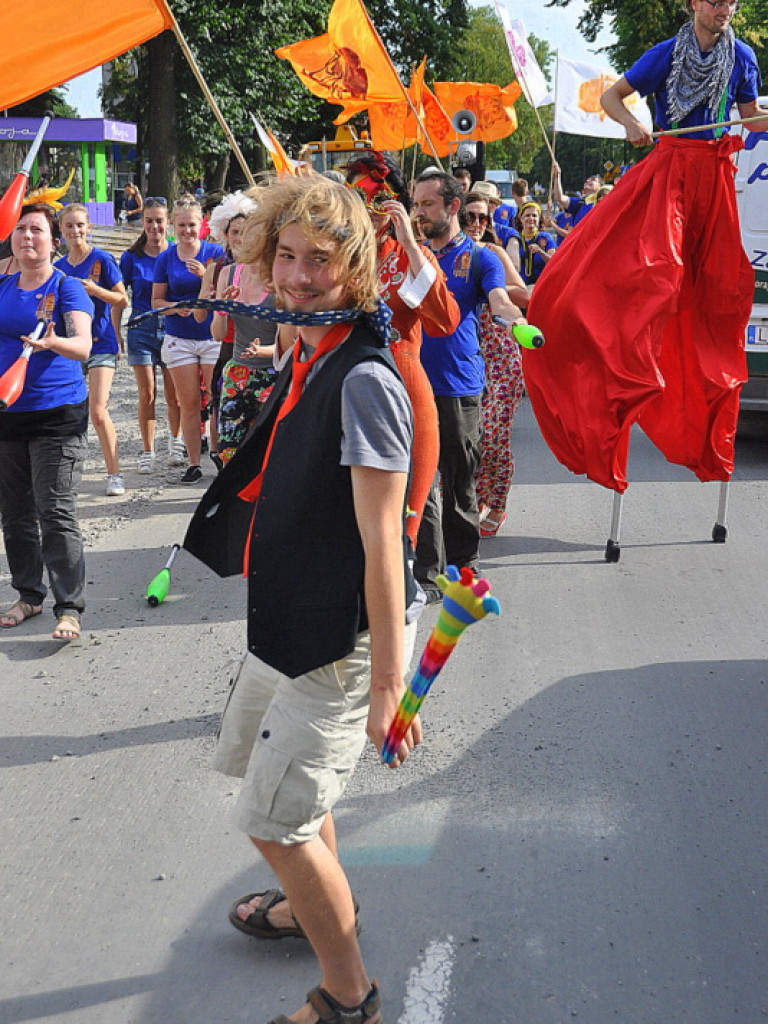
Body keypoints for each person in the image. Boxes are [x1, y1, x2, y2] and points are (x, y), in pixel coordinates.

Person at [184, 174, 420, 1024]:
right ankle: (308, 907)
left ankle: (349, 996)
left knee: (275, 824)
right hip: (284, 621)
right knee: (268, 782)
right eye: (285, 256)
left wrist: (390, 683)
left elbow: (383, 544)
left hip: (335, 638)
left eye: (320, 262)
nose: (296, 277)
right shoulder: (308, 346)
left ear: (356, 271)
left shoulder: (365, 380)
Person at [525, 0, 768, 493]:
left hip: (716, 179)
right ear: (694, 3)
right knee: (651, 277)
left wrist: (765, 118)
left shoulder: (742, 56)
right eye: (716, 0)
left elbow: (750, 119)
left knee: (718, 291)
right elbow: (613, 98)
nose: (726, 8)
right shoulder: (664, 54)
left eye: (732, 1)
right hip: (672, 171)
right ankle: (615, 366)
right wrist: (631, 124)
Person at [410, 171, 527, 600]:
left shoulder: (480, 258)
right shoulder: (410, 254)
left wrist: (511, 317)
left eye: (426, 205)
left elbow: (498, 298)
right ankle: (428, 572)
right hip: (411, 385)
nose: (418, 212)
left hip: (460, 387)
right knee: (419, 484)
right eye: (415, 204)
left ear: (452, 206)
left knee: (459, 484)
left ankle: (464, 567)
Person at [346, 151, 460, 543]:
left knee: (416, 499)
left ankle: (420, 578)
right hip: (349, 388)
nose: (369, 212)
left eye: (378, 202)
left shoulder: (411, 257)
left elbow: (445, 320)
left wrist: (409, 242)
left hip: (404, 385)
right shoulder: (339, 261)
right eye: (358, 201)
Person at [0, 204, 93, 641]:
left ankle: (69, 606)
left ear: (52, 242)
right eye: (20, 230)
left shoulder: (66, 287)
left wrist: (53, 340)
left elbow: (83, 345)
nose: (27, 237)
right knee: (15, 514)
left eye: (36, 230)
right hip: (7, 413)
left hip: (57, 413)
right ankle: (29, 595)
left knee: (54, 510)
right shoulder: (1, 287)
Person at [463, 190, 529, 537]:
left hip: (501, 356)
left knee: (493, 435)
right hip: (463, 357)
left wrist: (493, 287)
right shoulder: (447, 254)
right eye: (470, 216)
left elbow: (522, 293)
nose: (476, 224)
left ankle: (498, 502)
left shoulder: (494, 253)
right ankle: (472, 498)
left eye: (483, 218)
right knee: (466, 437)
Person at [56, 204, 128, 496]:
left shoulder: (101, 259)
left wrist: (96, 290)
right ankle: (61, 477)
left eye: (80, 225)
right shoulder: (58, 268)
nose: (75, 231)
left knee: (98, 411)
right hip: (69, 344)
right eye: (69, 226)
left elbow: (122, 299)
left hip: (101, 343)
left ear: (88, 227)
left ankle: (115, 475)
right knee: (63, 412)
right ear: (60, 231)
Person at [151, 197, 225, 483]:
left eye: (192, 225)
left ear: (201, 224)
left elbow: (229, 288)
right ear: (173, 225)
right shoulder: (166, 258)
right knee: (189, 402)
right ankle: (194, 463)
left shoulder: (215, 253)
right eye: (181, 225)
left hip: (211, 335)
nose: (187, 231)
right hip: (179, 336)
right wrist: (174, 307)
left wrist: (206, 276)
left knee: (216, 399)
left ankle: (218, 454)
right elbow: (155, 300)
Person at [114, 197, 181, 474]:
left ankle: (176, 441)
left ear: (168, 222)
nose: (155, 226)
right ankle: (147, 450)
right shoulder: (132, 256)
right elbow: (119, 297)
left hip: (172, 328)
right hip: (141, 328)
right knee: (147, 393)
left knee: (174, 394)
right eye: (149, 220)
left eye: (159, 220)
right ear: (143, 223)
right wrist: (116, 332)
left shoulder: (177, 253)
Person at [194, 190, 256, 468]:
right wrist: (212, 301)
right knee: (220, 402)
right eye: (235, 232)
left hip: (260, 346)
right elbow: (200, 319)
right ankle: (220, 455)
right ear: (225, 234)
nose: (240, 239)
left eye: (246, 232)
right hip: (228, 345)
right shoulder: (217, 268)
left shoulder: (263, 268)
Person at [508, 201, 556, 285]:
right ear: (521, 219)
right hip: (520, 286)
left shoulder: (545, 237)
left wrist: (540, 252)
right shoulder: (514, 238)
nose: (531, 218)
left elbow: (554, 263)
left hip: (542, 285)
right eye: (527, 215)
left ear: (539, 219)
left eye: (534, 215)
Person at [550, 164, 602, 229]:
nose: (588, 181)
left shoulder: (603, 202)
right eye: (587, 180)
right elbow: (559, 197)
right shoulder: (579, 203)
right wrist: (557, 176)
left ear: (600, 186)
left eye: (593, 180)